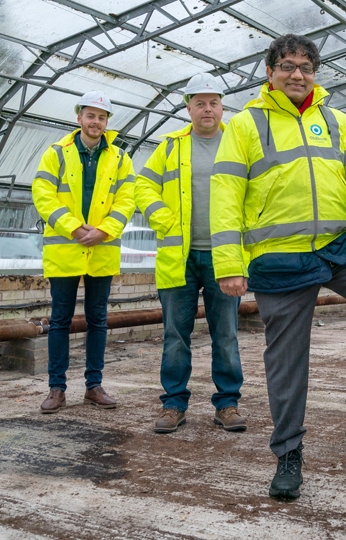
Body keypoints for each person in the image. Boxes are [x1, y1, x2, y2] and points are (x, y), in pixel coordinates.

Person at [208, 34, 346, 500]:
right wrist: (229, 262)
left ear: (315, 73)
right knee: (286, 360)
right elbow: (224, 198)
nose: (297, 74)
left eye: (306, 66)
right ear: (270, 72)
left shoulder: (334, 118)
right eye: (287, 66)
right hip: (279, 256)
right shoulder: (246, 125)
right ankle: (288, 454)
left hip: (335, 244)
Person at [134, 73, 246, 434]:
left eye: (213, 102)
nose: (207, 109)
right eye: (199, 103)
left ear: (222, 106)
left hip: (224, 257)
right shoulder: (170, 146)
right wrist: (163, 220)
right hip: (178, 257)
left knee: (226, 334)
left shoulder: (239, 143)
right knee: (175, 336)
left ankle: (227, 404)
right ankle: (173, 404)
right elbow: (143, 185)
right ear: (188, 108)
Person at [32, 91, 136, 413]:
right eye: (90, 116)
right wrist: (75, 228)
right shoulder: (56, 153)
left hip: (101, 250)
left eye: (102, 117)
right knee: (60, 320)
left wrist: (104, 231)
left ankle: (94, 386)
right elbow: (43, 193)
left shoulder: (120, 158)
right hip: (66, 249)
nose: (96, 122)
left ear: (107, 122)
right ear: (79, 118)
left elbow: (127, 199)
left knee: (98, 320)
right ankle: (56, 389)